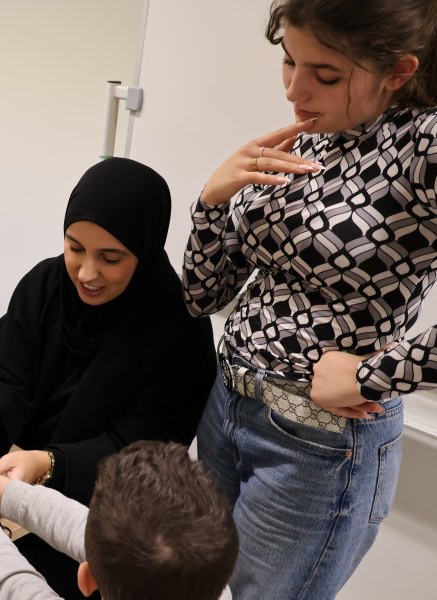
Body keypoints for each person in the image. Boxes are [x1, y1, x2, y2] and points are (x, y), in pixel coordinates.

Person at [181, 0, 437, 597]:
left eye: (325, 74)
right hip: (225, 407)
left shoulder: (423, 143)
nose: (295, 91)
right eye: (289, 61)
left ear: (398, 71)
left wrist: (375, 375)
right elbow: (202, 296)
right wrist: (212, 204)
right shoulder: (315, 136)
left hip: (317, 445)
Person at [0, 157, 217, 597]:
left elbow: (140, 453)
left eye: (110, 258)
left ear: (145, 249)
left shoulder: (179, 326)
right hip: (4, 486)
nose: (86, 273)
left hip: (93, 523)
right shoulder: (47, 284)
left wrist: (49, 464)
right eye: (74, 248)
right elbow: (9, 375)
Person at [0, 440, 237, 600]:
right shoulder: (211, 584)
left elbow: (10, 581)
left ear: (87, 580)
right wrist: (2, 489)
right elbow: (78, 524)